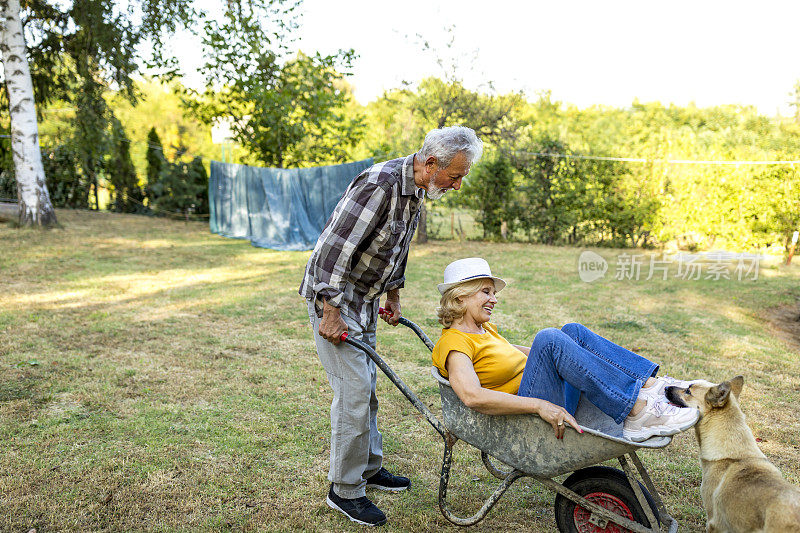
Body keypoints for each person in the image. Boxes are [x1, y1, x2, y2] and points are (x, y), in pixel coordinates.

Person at [299, 127, 483, 527]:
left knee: (368, 387)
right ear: (431, 163)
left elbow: (397, 248)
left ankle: (368, 469)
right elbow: (333, 248)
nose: (457, 183)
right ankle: (344, 491)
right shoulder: (379, 185)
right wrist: (330, 311)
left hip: (364, 301)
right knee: (353, 391)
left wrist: (393, 296)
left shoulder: (416, 191)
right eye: (456, 174)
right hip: (336, 299)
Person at [431, 257, 700, 442]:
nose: (494, 299)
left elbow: (518, 353)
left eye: (493, 292)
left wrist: (567, 347)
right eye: (486, 292)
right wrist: (540, 406)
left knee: (571, 332)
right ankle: (637, 412)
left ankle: (652, 385)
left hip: (545, 395)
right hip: (525, 419)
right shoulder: (454, 344)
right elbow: (472, 397)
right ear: (460, 296)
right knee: (550, 338)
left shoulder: (482, 329)